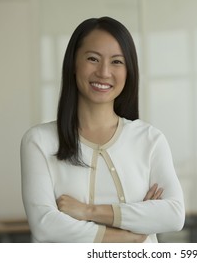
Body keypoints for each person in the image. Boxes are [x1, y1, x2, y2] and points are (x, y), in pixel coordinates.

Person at [20, 17, 185, 243]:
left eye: (117, 62)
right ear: (73, 64)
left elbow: (174, 214)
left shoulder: (149, 139)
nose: (104, 72)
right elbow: (45, 225)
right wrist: (129, 234)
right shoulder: (39, 141)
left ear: (129, 71)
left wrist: (88, 212)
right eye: (92, 59)